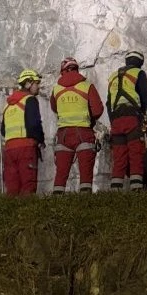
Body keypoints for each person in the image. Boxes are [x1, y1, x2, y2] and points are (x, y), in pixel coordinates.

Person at [106, 50, 147, 191]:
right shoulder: (138, 73)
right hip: (132, 118)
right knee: (136, 154)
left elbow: (108, 102)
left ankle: (115, 192)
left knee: (119, 157)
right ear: (140, 62)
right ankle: (136, 190)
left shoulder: (113, 76)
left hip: (116, 120)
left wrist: (112, 122)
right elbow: (146, 96)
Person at [50, 57, 104, 194]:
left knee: (61, 173)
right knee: (86, 172)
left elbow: (54, 108)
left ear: (63, 71)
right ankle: (84, 205)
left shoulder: (56, 89)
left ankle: (55, 205)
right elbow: (98, 109)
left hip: (63, 135)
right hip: (83, 132)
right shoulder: (87, 85)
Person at [1, 69, 45, 196]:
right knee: (28, 184)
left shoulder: (8, 105)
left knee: (12, 186)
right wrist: (40, 139)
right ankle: (27, 214)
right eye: (37, 83)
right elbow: (34, 124)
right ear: (28, 83)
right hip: (26, 148)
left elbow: (4, 130)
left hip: (9, 149)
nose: (38, 86)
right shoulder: (30, 100)